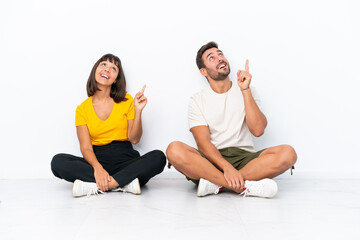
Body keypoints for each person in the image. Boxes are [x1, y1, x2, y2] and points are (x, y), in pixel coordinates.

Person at [166, 42, 297, 198]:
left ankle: (216, 184)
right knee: (174, 150)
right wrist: (226, 167)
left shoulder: (248, 90)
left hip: (246, 159)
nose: (220, 59)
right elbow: (203, 143)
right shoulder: (197, 100)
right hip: (211, 162)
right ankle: (243, 186)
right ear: (203, 71)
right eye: (212, 58)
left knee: (288, 153)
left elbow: (258, 130)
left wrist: (245, 90)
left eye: (220, 54)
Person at [51, 53, 166, 197]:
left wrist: (138, 110)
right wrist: (98, 168)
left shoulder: (127, 100)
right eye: (103, 64)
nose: (107, 69)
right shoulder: (82, 109)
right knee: (58, 162)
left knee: (158, 157)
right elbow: (86, 147)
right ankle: (124, 182)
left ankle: (102, 185)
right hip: (97, 159)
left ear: (116, 79)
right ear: (95, 71)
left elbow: (134, 139)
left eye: (113, 69)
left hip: (126, 159)